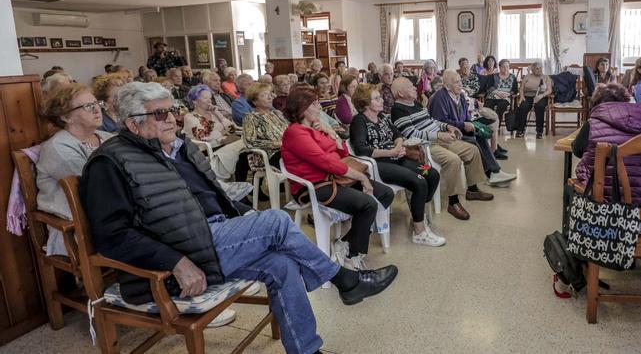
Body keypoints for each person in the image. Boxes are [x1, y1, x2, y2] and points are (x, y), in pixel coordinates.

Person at [80, 82, 397, 354]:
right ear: (133, 123)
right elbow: (112, 235)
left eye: (173, 110)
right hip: (179, 259)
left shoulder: (178, 148)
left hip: (212, 238)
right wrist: (176, 261)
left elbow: (215, 199)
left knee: (282, 264)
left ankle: (307, 349)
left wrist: (248, 219)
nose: (173, 119)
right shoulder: (111, 163)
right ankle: (344, 279)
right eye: (161, 114)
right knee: (276, 220)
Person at [281, 87, 394, 269]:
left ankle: (344, 242)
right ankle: (352, 256)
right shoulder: (295, 132)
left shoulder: (315, 128)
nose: (319, 106)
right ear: (302, 108)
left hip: (334, 178)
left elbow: (342, 153)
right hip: (315, 185)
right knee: (368, 203)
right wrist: (361, 177)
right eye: (314, 103)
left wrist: (331, 133)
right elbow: (326, 162)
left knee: (385, 193)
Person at [349, 84, 445, 246]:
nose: (381, 100)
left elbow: (398, 135)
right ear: (365, 103)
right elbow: (361, 149)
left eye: (380, 97)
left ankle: (417, 213)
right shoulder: (359, 121)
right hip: (379, 165)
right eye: (376, 98)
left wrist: (398, 147)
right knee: (419, 181)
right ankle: (420, 232)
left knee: (432, 173)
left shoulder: (383, 118)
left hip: (396, 158)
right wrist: (390, 153)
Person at [389, 78, 494, 220]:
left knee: (472, 150)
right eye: (410, 86)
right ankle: (453, 202)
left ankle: (473, 190)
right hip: (425, 146)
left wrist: (447, 126)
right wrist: (438, 135)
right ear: (401, 93)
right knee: (453, 160)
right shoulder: (398, 109)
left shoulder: (416, 103)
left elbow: (431, 121)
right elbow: (411, 134)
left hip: (439, 138)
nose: (415, 88)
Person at [36, 84, 114, 257]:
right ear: (66, 117)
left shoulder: (108, 137)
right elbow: (98, 186)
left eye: (97, 103)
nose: (97, 109)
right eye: (88, 106)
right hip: (80, 227)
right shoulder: (58, 147)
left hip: (109, 215)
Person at [573, 83, 641, 210]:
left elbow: (577, 150)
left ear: (598, 104)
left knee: (570, 189)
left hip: (603, 205)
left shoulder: (592, 125)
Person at [242, 83, 288, 169]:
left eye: (270, 94)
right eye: (264, 95)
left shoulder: (276, 114)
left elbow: (290, 130)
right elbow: (250, 142)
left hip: (287, 149)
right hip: (269, 155)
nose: (270, 98)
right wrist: (277, 144)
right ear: (254, 101)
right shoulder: (251, 117)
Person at [514, 61, 552, 139]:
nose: (539, 70)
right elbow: (521, 88)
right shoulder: (527, 76)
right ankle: (520, 130)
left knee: (540, 107)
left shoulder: (546, 77)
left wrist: (541, 96)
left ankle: (539, 131)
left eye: (540, 68)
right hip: (527, 96)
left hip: (540, 96)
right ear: (532, 70)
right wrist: (521, 96)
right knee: (522, 106)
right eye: (537, 69)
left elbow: (549, 90)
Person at [483, 58, 518, 133]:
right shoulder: (493, 76)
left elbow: (515, 90)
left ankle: (496, 126)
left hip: (505, 98)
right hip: (493, 95)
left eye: (507, 67)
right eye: (503, 67)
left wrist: (507, 94)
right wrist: (498, 93)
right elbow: (489, 87)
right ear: (499, 67)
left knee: (501, 107)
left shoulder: (512, 77)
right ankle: (487, 125)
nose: (506, 68)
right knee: (487, 106)